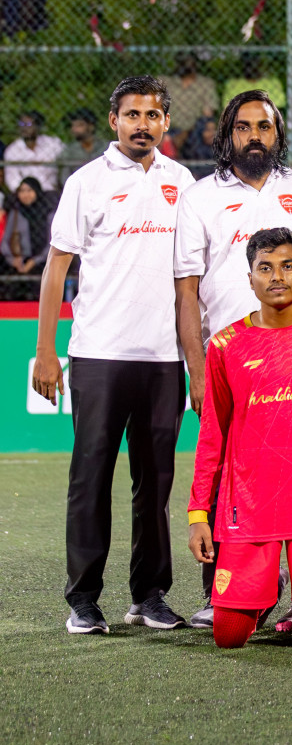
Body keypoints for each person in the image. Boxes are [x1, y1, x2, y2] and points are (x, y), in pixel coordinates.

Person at [34, 76, 194, 635]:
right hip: (99, 353)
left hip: (163, 359)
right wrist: (45, 354)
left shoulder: (182, 182)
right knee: (91, 476)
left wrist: (192, 362)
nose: (142, 124)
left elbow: (186, 282)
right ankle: (83, 600)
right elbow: (56, 268)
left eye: (153, 115)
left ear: (165, 122)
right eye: (132, 115)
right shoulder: (87, 182)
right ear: (114, 121)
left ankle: (149, 595)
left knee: (156, 484)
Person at [172, 89, 292, 630]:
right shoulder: (199, 197)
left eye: (266, 126)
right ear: (227, 133)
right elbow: (187, 293)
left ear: (278, 135)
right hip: (227, 359)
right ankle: (219, 592)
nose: (255, 135)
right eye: (245, 126)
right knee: (223, 474)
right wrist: (196, 367)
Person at [186, 227, 292, 649]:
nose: (277, 277)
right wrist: (198, 515)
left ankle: (289, 587)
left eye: (287, 266)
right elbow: (212, 436)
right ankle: (258, 592)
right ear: (250, 278)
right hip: (250, 504)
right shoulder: (225, 344)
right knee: (228, 636)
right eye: (265, 268)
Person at [5, 177, 55, 279]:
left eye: (29, 190)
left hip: (44, 263)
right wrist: (13, 260)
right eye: (22, 191)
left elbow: (52, 243)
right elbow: (5, 241)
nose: (25, 195)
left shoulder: (48, 213)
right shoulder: (16, 213)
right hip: (18, 263)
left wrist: (33, 262)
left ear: (37, 191)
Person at [5, 110, 65, 192]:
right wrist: (24, 192)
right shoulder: (12, 150)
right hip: (25, 194)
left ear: (38, 126)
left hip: (50, 191)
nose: (24, 128)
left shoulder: (53, 144)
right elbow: (12, 179)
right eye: (21, 124)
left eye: (29, 124)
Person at [57, 108, 106, 176]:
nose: (74, 129)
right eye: (73, 125)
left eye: (79, 125)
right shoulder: (70, 151)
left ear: (91, 126)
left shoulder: (106, 147)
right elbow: (64, 177)